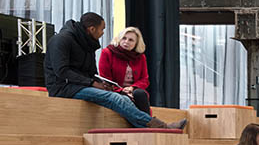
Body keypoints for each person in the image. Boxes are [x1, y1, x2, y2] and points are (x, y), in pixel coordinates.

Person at [45, 13, 185, 130]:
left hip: (81, 85)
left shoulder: (87, 43)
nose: (103, 33)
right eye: (102, 29)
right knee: (115, 98)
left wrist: (103, 83)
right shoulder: (61, 40)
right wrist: (91, 83)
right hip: (64, 88)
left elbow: (92, 73)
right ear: (92, 29)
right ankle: (162, 127)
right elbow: (62, 71)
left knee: (125, 98)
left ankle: (145, 130)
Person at [96, 26, 153, 118]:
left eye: (131, 40)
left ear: (136, 44)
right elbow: (105, 80)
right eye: (124, 38)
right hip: (114, 90)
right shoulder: (107, 53)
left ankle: (147, 124)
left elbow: (144, 80)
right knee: (128, 99)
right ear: (119, 39)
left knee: (140, 94)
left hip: (133, 91)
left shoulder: (141, 57)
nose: (126, 42)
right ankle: (148, 123)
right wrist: (122, 90)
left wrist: (131, 88)